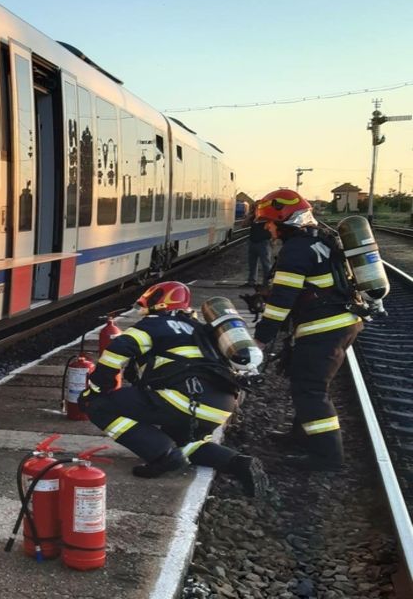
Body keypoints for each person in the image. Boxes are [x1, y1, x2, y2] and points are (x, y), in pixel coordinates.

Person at [83, 281, 266, 497]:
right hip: (221, 404)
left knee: (98, 405)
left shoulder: (153, 324)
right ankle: (238, 463)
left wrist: (96, 387)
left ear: (157, 302)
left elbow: (118, 349)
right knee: (189, 445)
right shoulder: (199, 328)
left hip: (185, 398)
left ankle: (163, 455)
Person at [252, 188, 362, 471]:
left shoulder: (296, 250)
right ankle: (301, 436)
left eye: (269, 222)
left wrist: (261, 339)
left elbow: (282, 301)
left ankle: (328, 457)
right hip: (341, 323)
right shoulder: (319, 240)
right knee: (307, 383)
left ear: (284, 221)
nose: (267, 228)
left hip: (323, 328)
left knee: (310, 389)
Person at [243, 203, 273, 287]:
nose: (256, 208)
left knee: (266, 264)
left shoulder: (267, 217)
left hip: (264, 242)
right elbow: (244, 225)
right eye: (255, 207)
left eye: (257, 207)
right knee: (252, 263)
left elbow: (271, 227)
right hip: (253, 241)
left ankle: (267, 283)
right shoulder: (253, 217)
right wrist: (250, 215)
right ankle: (251, 282)